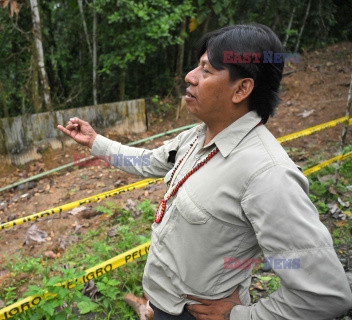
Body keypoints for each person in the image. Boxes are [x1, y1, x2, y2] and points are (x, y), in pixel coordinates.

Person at [58, 24, 352, 320]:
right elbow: (149, 160)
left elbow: (325, 293)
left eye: (206, 70)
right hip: (163, 303)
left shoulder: (267, 175)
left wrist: (240, 316)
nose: (190, 77)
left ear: (241, 89)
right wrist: (96, 142)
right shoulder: (198, 136)